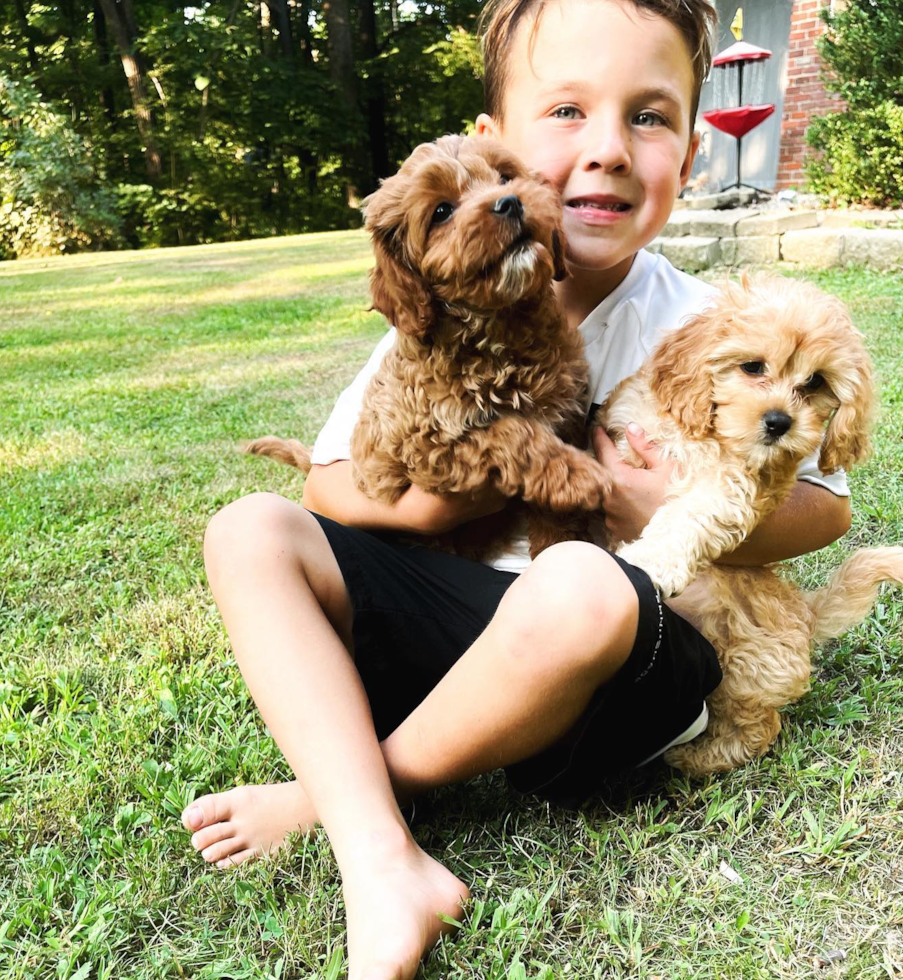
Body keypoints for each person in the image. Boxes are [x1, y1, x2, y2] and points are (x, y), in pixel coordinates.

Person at [182, 2, 852, 977]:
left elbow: (825, 504)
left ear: (694, 148)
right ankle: (383, 857)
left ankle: (341, 795)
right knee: (247, 529)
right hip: (465, 647)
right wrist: (425, 508)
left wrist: (641, 507)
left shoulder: (716, 322)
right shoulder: (432, 319)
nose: (608, 149)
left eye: (649, 117)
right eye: (567, 111)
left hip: (619, 651)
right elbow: (330, 486)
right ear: (487, 147)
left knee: (576, 576)